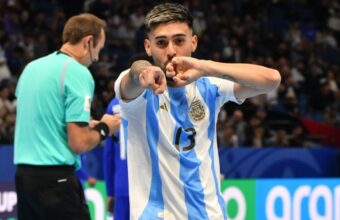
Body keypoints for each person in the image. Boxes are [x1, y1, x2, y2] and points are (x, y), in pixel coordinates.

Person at [114, 3, 281, 219]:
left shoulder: (210, 86)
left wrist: (205, 67)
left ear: (193, 42)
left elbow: (272, 80)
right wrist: (143, 71)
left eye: (179, 41)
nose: (171, 51)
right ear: (148, 47)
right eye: (161, 43)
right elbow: (133, 77)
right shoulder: (139, 93)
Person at [14, 13, 120, 220]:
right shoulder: (77, 72)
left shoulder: (30, 68)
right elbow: (78, 143)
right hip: (56, 183)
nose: (97, 56)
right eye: (98, 48)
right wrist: (105, 128)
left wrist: (85, 123)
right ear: (89, 41)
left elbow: (39, 117)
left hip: (24, 179)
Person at [103, 97, 129, 220]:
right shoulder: (154, 97)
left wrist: (110, 191)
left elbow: (108, 154)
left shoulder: (113, 106)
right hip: (150, 186)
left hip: (122, 184)